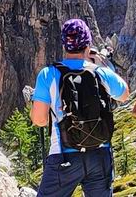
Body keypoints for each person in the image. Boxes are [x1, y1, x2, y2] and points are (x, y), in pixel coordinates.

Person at [31, 18, 129, 197]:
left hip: (63, 157)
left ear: (64, 44)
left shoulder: (48, 74)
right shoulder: (100, 73)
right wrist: (101, 64)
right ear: (88, 43)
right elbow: (124, 94)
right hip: (100, 154)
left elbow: (38, 120)